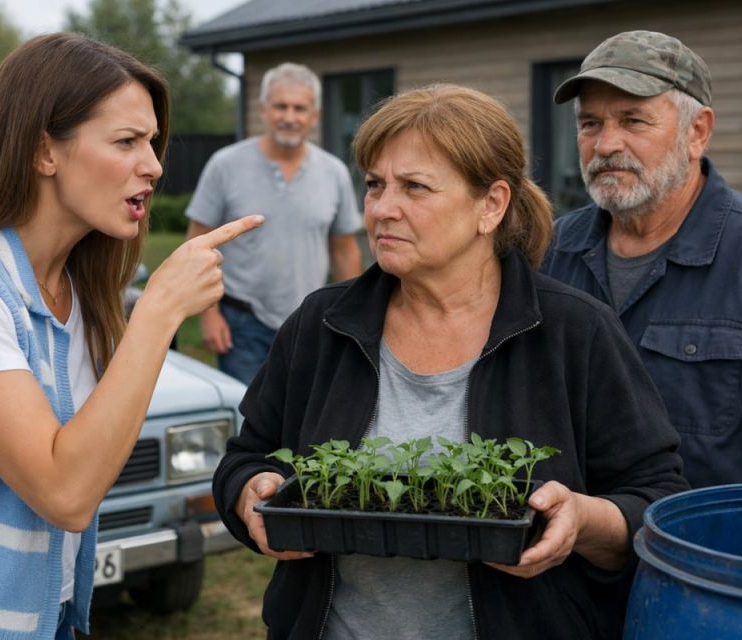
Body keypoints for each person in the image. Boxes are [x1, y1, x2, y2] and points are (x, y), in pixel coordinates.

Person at [213, 84, 688, 639]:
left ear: (491, 204)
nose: (382, 208)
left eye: (414, 187)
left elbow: (656, 498)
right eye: (374, 185)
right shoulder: (323, 324)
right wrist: (252, 496)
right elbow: (245, 457)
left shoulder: (573, 333)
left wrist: (581, 520)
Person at [0, 33, 261, 640]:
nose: (154, 165)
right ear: (43, 151)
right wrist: (158, 313)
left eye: (151, 142)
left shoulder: (78, 291)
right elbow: (67, 492)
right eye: (126, 141)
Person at [541, 30, 742, 489]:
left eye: (633, 121)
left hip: (712, 556)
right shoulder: (552, 253)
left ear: (697, 132)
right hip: (571, 556)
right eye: (590, 123)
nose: (606, 144)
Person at [185, 62, 363, 385]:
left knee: (304, 426)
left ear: (315, 116)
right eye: (281, 106)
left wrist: (351, 318)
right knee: (248, 426)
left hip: (313, 324)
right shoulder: (225, 165)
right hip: (242, 325)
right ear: (264, 110)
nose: (290, 117)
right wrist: (208, 315)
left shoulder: (334, 172)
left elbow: (344, 250)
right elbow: (197, 244)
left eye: (300, 108)